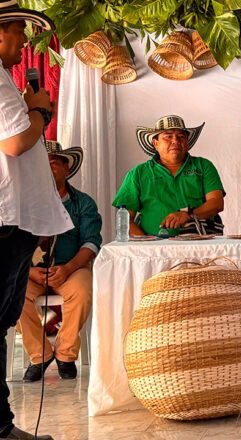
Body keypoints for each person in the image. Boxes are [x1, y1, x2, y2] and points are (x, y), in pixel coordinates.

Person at [0, 2, 68, 438]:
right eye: (19, 31)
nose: (26, 41)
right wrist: (40, 111)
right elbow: (14, 144)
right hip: (4, 222)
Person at [19, 142, 101, 382]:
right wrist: (30, 271)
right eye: (40, 163)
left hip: (71, 268)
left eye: (53, 162)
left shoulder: (83, 203)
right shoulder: (22, 203)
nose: (46, 167)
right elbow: (12, 243)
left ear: (67, 167)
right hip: (31, 271)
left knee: (83, 291)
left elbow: (91, 242)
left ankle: (66, 354)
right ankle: (40, 355)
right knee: (14, 294)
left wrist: (68, 268)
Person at [113, 115, 225, 237]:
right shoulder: (138, 173)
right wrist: (147, 245)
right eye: (168, 136)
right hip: (153, 250)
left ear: (187, 142)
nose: (175, 140)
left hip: (200, 245)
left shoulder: (203, 166)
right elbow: (125, 220)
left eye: (181, 136)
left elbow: (216, 203)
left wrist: (188, 215)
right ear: (155, 143)